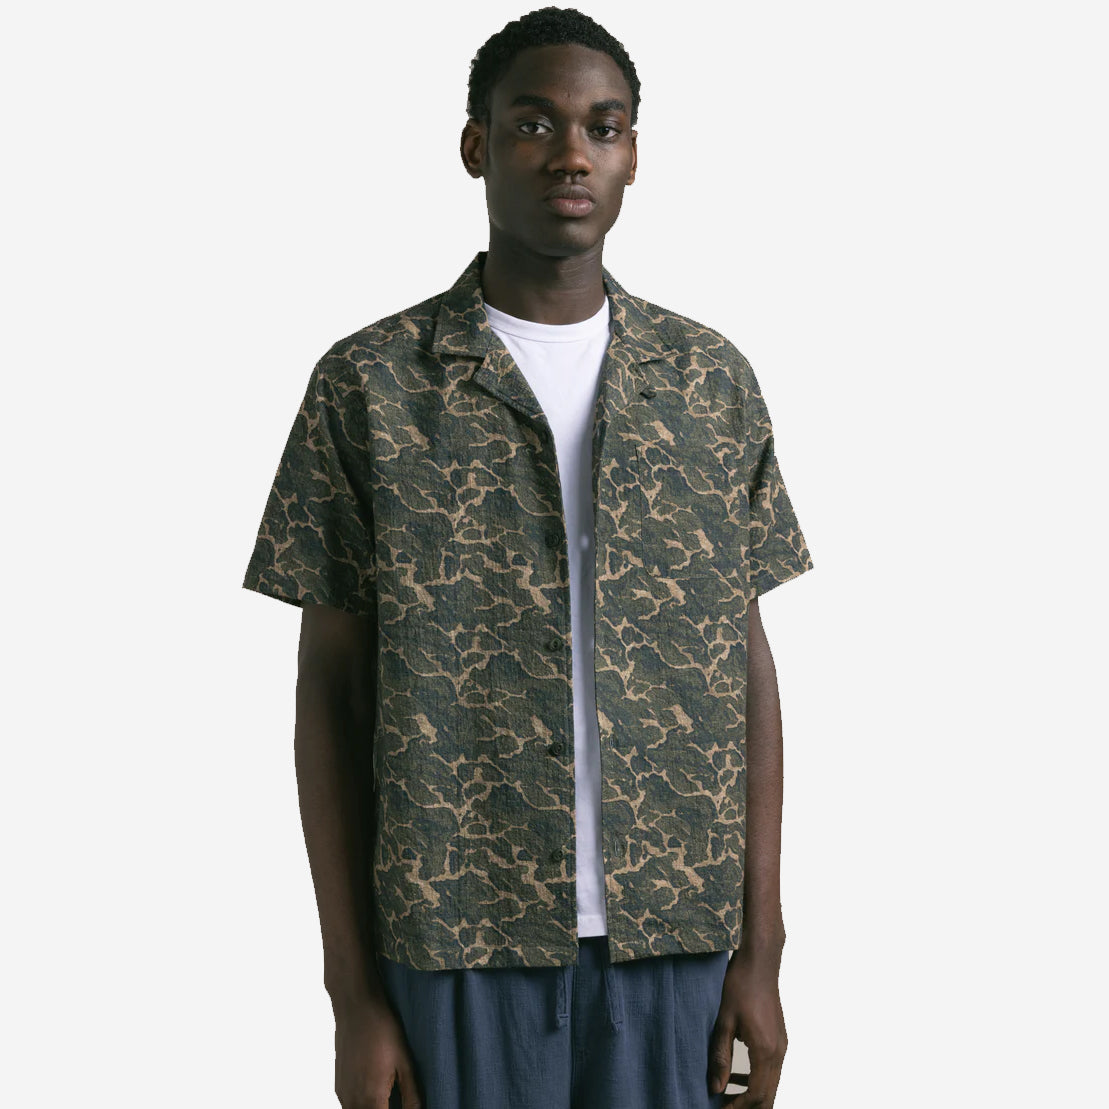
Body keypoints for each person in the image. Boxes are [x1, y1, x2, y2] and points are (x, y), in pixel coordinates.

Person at [242, 8, 813, 1108]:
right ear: (476, 145)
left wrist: (762, 951)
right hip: (456, 937)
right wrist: (352, 995)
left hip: (675, 937)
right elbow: (329, 698)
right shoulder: (369, 386)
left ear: (633, 154)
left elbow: (742, 670)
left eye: (603, 127)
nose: (571, 155)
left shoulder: (708, 382)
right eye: (534, 124)